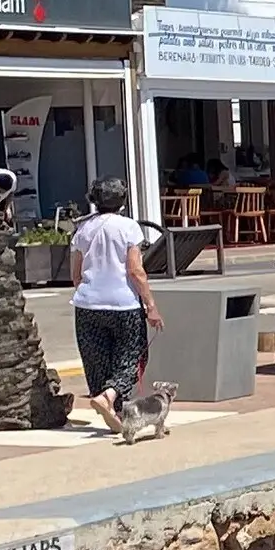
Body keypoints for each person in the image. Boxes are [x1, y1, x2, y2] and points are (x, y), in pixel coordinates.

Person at [68, 178, 162, 441]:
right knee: (132, 358)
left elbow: (75, 274)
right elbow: (135, 270)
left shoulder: (83, 229)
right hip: (124, 304)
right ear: (123, 200)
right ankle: (109, 397)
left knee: (97, 362)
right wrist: (151, 306)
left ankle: (114, 412)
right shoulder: (129, 227)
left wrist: (87, 289)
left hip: (87, 304)